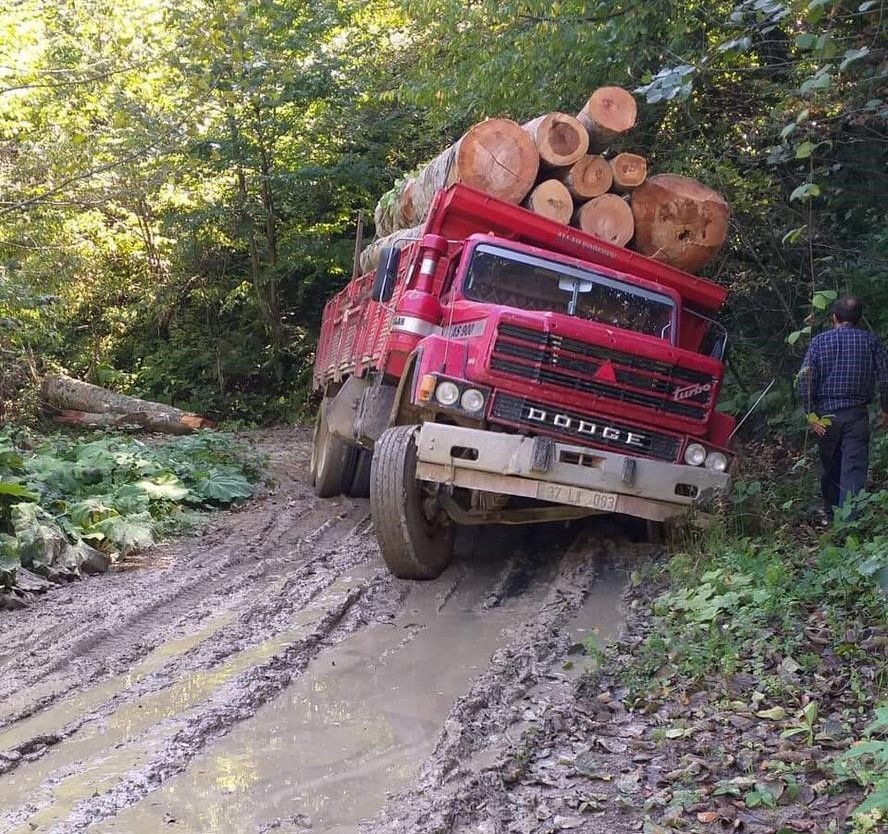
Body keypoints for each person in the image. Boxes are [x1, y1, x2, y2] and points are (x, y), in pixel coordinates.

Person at [797, 296, 888, 521]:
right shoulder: (871, 341)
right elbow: (886, 378)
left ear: (834, 318)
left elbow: (805, 378)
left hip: (826, 415)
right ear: (859, 319)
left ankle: (830, 513)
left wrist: (811, 414)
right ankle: (849, 522)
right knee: (853, 467)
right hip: (856, 415)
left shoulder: (819, 341)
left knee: (830, 465)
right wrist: (886, 409)